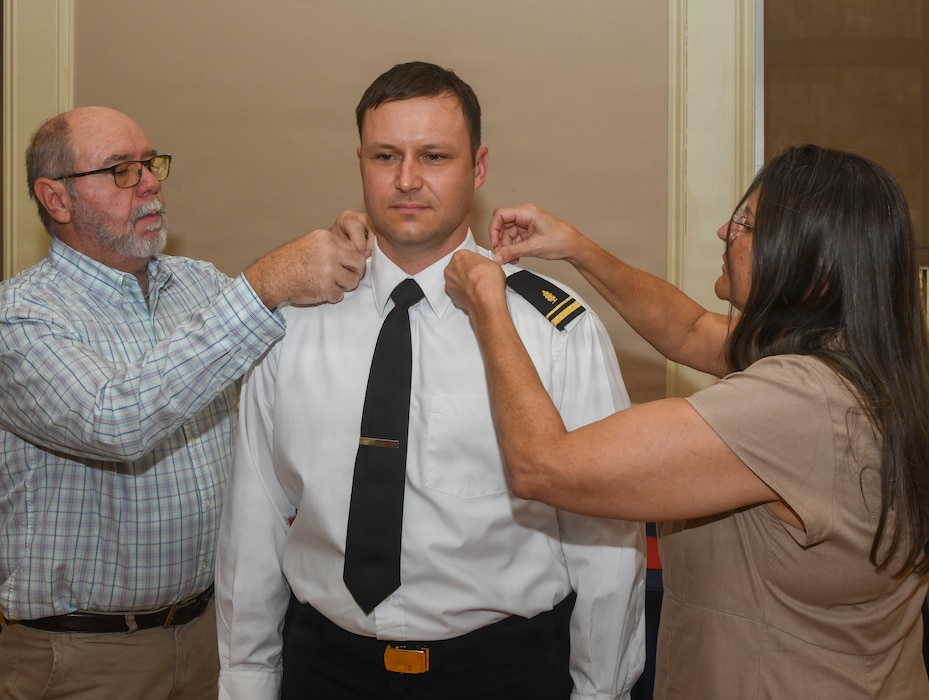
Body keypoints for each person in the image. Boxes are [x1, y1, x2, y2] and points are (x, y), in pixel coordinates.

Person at [216, 61, 645, 700]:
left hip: (501, 672)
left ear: (478, 170)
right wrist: (246, 680)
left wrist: (601, 689)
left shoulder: (552, 329)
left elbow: (605, 536)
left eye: (434, 156)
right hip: (325, 668)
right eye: (387, 155)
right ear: (360, 161)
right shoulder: (297, 320)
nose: (408, 180)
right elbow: (256, 519)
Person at [443, 143, 929, 699]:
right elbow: (689, 330)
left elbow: (545, 466)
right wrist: (575, 247)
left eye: (748, 223)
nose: (726, 230)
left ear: (816, 270)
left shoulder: (796, 403)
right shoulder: (865, 362)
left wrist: (488, 305)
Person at [0, 105, 369, 700]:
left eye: (150, 163)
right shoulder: (19, 318)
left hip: (209, 639)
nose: (148, 182)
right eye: (121, 169)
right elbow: (113, 419)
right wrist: (266, 284)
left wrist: (355, 251)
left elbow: (285, 343)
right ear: (57, 199)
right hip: (82, 659)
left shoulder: (195, 285)